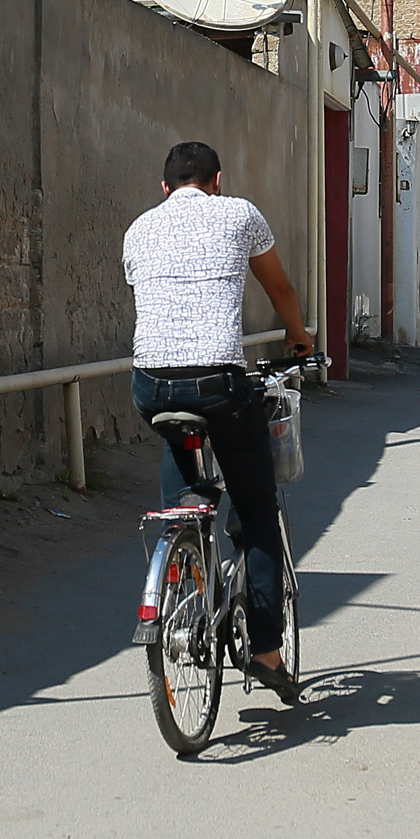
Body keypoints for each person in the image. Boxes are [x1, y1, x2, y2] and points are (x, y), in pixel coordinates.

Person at [123, 141, 313, 704]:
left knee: (180, 461)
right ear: (217, 181)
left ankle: (181, 576)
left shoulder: (138, 230)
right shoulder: (239, 214)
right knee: (256, 510)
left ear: (164, 188)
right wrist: (298, 337)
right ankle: (265, 651)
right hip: (219, 384)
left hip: (150, 383)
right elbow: (279, 286)